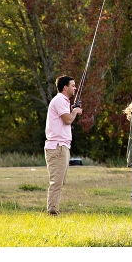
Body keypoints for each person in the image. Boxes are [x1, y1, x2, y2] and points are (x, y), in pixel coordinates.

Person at [44, 75, 82, 215]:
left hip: (62, 146)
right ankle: (52, 211)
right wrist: (75, 111)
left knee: (60, 180)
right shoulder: (60, 99)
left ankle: (54, 209)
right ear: (65, 87)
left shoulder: (63, 101)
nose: (75, 88)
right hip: (57, 147)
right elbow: (67, 120)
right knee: (57, 181)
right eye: (72, 85)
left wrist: (72, 109)